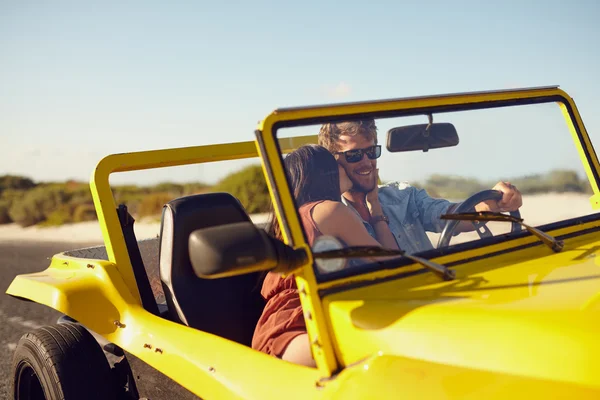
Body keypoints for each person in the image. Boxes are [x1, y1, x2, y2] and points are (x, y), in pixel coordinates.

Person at [251, 144, 400, 367]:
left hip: (292, 322)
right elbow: (392, 264)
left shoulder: (296, 215)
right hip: (297, 326)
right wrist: (376, 210)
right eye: (337, 163)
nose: (344, 168)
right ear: (325, 172)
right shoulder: (330, 210)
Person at [317, 119, 523, 253]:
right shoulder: (328, 216)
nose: (366, 162)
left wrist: (491, 204)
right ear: (333, 161)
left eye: (371, 152)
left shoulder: (403, 196)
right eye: (354, 155)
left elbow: (448, 215)